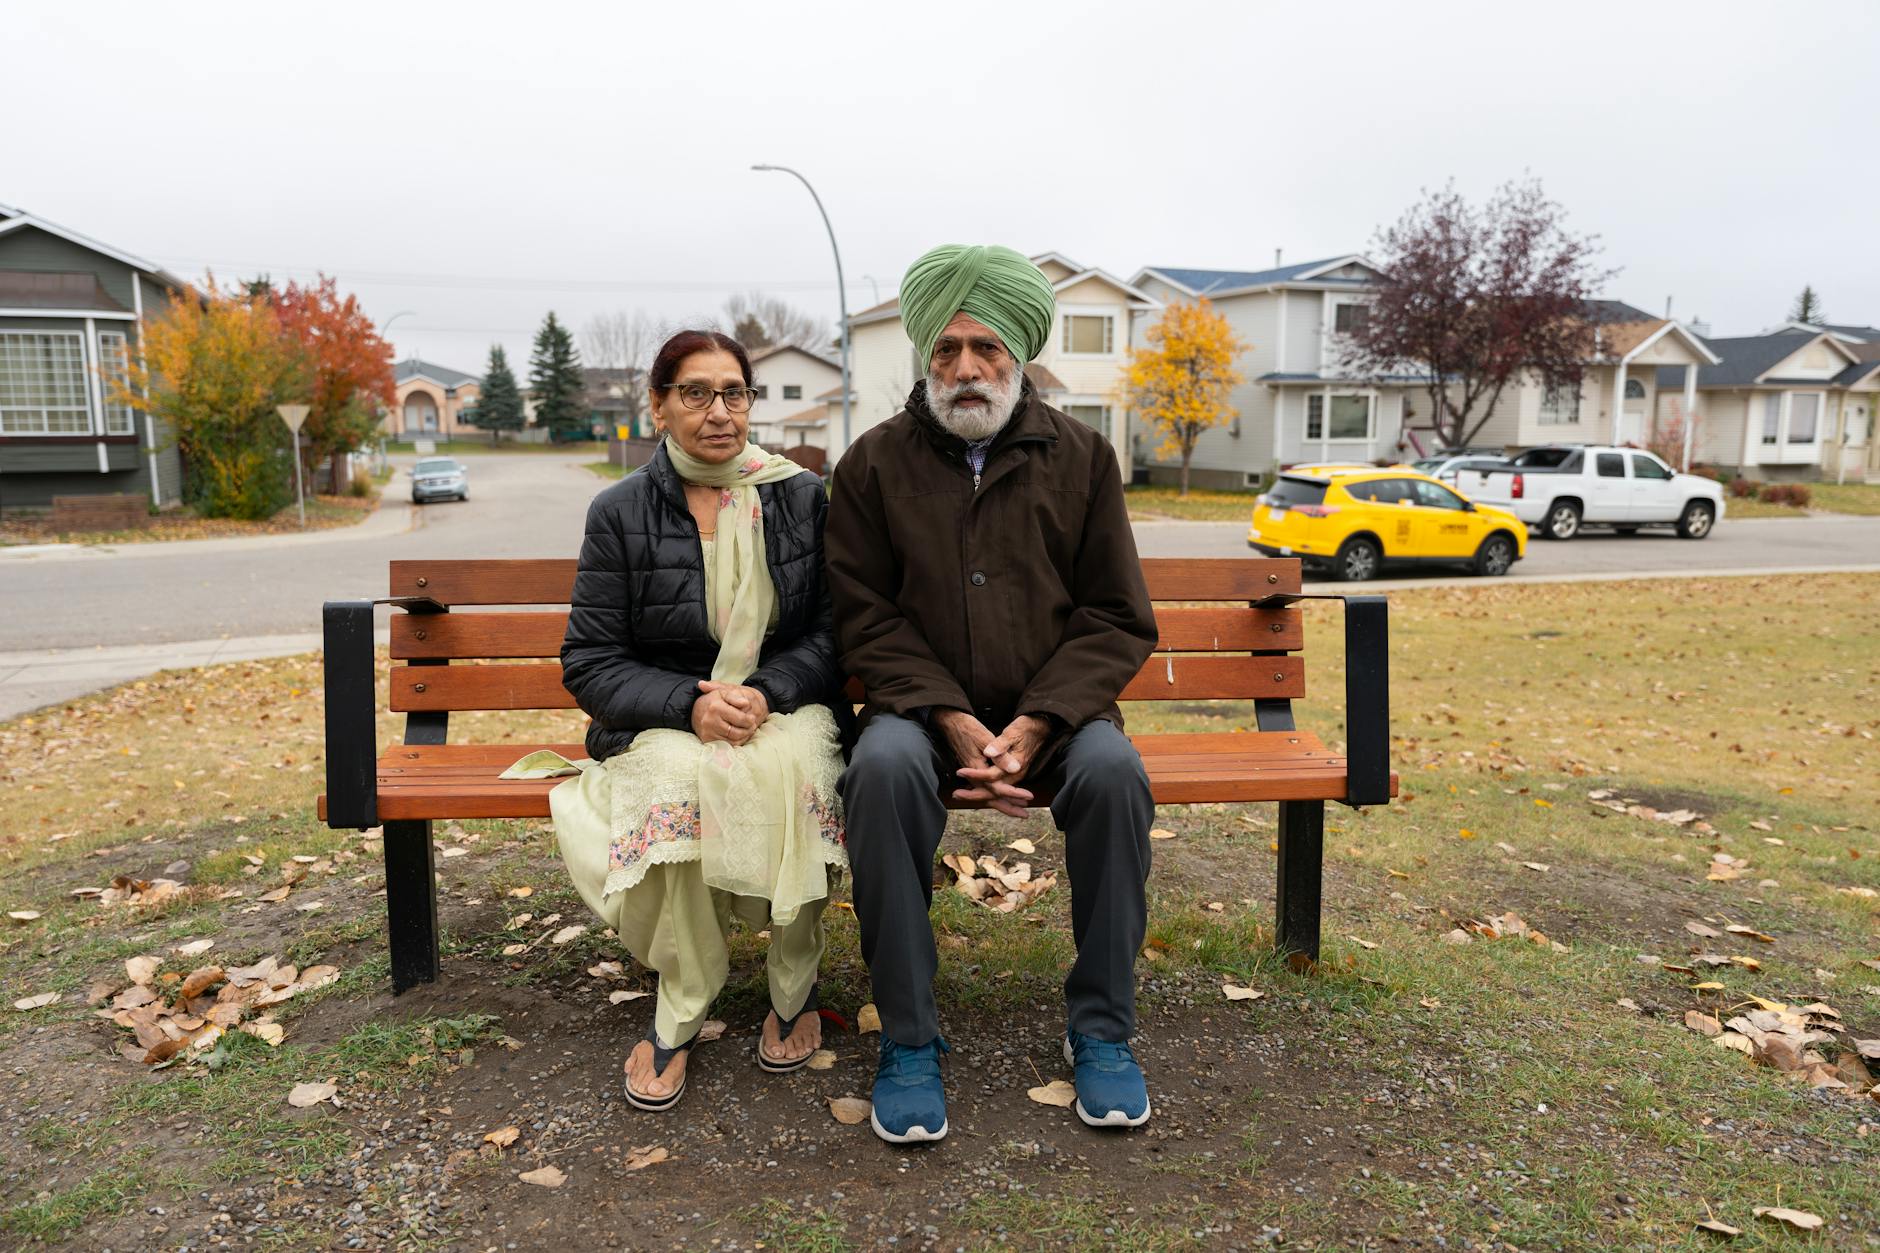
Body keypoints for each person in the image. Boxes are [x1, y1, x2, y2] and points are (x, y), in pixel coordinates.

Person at [826, 245, 1159, 1143]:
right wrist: (953, 718)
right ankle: (907, 1036)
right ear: (925, 356)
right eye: (946, 348)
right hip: (919, 718)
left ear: (1018, 354)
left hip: (1062, 716)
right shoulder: (871, 465)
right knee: (881, 771)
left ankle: (1102, 1030)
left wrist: (1040, 721)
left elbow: (1116, 614)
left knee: (1117, 774)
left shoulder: (1083, 459)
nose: (966, 368)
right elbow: (864, 617)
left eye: (985, 348)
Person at [548, 328, 847, 1112]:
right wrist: (692, 702)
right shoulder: (620, 510)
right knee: (681, 779)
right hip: (668, 714)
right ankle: (683, 1000)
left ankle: (793, 984)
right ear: (659, 406)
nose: (719, 411)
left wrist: (768, 691)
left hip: (777, 705)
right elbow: (591, 661)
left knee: (799, 768)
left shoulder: (800, 495)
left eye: (734, 392)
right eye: (696, 393)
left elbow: (830, 634)